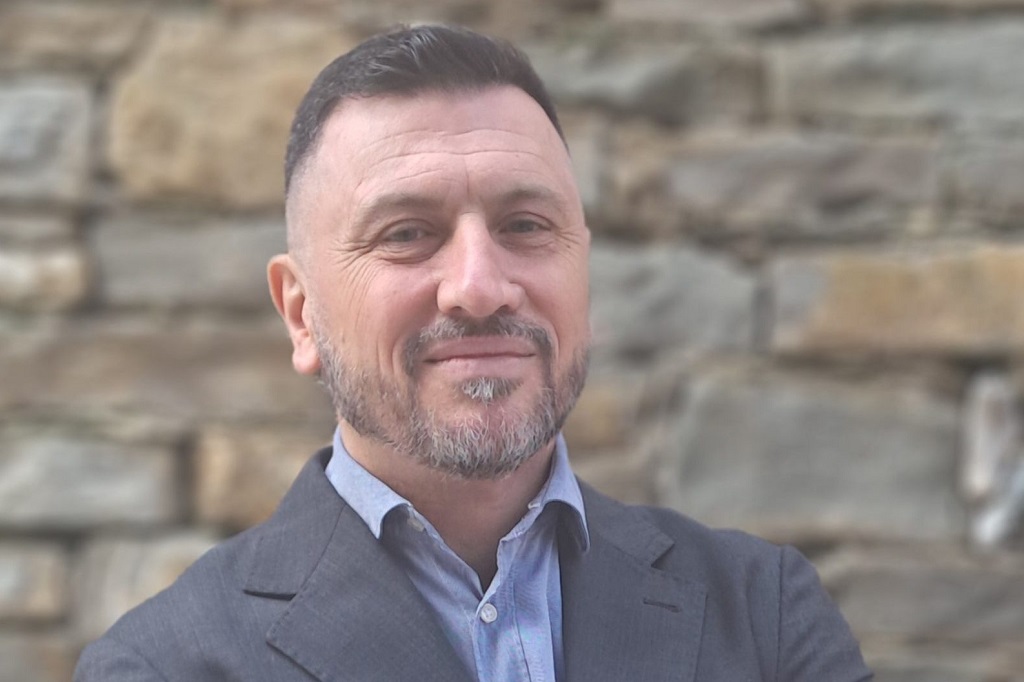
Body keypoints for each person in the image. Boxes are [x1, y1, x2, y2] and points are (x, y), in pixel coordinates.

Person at [74, 24, 872, 682]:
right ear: (301, 314)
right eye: (407, 233)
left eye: (525, 225)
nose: (479, 287)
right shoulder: (164, 666)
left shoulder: (764, 617)